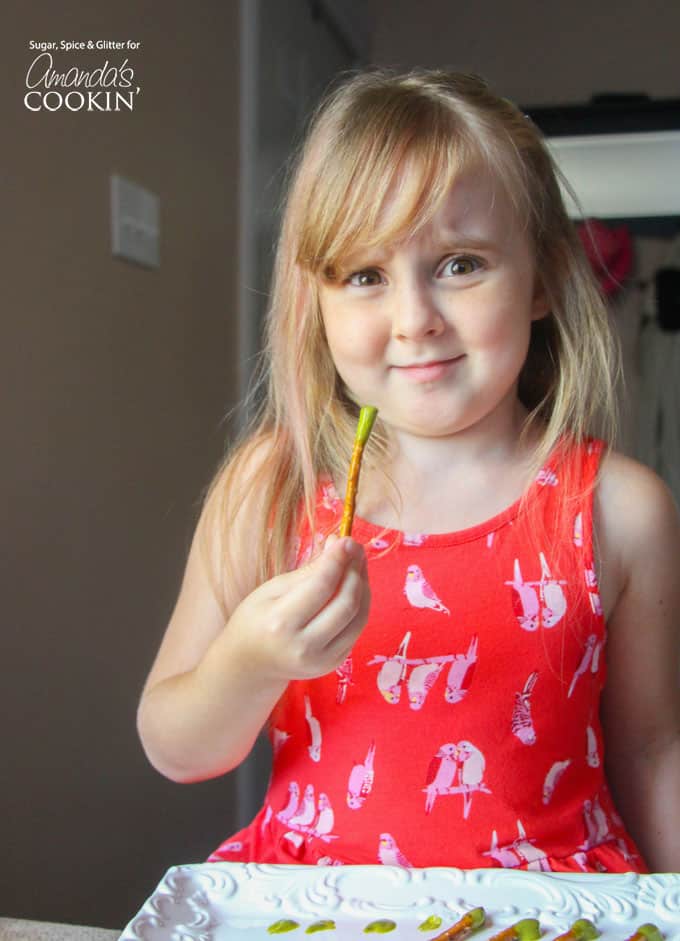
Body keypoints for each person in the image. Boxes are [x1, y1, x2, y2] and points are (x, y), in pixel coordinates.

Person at [137, 69, 680, 873]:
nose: (415, 319)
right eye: (366, 276)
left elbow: (652, 749)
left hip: (552, 909)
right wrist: (249, 664)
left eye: (460, 263)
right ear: (313, 303)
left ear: (542, 279)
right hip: (319, 906)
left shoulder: (620, 509)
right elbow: (175, 746)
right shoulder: (272, 489)